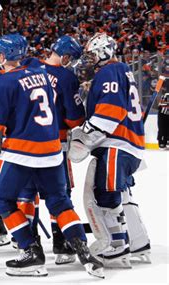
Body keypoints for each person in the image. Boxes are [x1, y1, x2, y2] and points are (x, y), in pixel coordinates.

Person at [0, 33, 104, 278]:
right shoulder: (43, 75)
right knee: (59, 202)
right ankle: (83, 252)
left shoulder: (3, 83)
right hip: (52, 151)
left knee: (2, 198)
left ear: (4, 56)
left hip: (20, 152)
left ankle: (30, 250)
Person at [69, 33, 151, 267]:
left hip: (117, 143)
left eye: (94, 53)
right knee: (123, 192)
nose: (91, 59)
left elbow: (109, 112)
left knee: (106, 193)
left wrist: (83, 133)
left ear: (105, 51)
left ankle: (118, 245)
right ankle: (138, 241)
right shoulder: (121, 70)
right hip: (130, 143)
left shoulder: (109, 72)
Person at [18, 35, 86, 264]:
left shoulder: (29, 67)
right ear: (65, 56)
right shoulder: (67, 77)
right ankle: (62, 244)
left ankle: (28, 243)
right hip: (55, 144)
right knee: (59, 194)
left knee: (26, 194)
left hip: (24, 143)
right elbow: (76, 118)